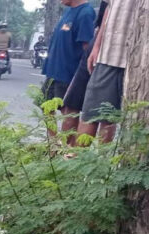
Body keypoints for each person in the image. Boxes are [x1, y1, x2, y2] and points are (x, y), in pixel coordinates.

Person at [41, 0, 95, 141]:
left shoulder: (85, 13)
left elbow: (87, 48)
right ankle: (54, 144)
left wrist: (82, 77)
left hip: (70, 73)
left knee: (69, 112)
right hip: (54, 71)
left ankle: (66, 148)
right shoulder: (68, 11)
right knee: (46, 106)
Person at [78, 0, 127, 143]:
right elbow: (108, 9)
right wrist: (97, 45)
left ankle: (102, 161)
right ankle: (78, 161)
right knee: (92, 112)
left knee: (111, 117)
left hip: (138, 58)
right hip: (111, 52)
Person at [59, 0, 108, 145]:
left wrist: (96, 48)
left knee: (100, 113)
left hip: (100, 58)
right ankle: (66, 151)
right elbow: (101, 25)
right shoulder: (69, 11)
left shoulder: (85, 12)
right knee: (70, 107)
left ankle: (81, 157)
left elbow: (85, 43)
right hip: (88, 56)